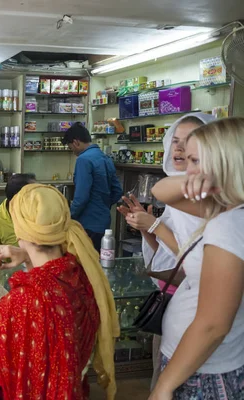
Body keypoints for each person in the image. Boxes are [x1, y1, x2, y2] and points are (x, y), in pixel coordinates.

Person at [0, 184, 119, 399]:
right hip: (70, 380)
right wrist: (26, 255)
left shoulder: (27, 298)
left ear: (20, 229)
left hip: (27, 388)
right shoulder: (81, 272)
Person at [149, 117, 244, 400]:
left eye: (194, 160)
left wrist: (165, 385)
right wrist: (211, 182)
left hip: (203, 370)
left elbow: (213, 324)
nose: (187, 170)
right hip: (202, 363)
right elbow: (160, 190)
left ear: (222, 161)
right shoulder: (226, 208)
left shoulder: (228, 225)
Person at [117, 113, 213, 389]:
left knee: (171, 382)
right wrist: (145, 227)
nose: (181, 149)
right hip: (171, 300)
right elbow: (167, 254)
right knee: (161, 370)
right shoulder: (178, 193)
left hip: (194, 311)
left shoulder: (205, 197)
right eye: (176, 141)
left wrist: (156, 225)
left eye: (191, 142)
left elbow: (194, 261)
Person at [62, 122, 123, 251]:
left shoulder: (83, 160)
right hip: (104, 222)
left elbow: (81, 197)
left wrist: (69, 217)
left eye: (71, 147)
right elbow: (117, 191)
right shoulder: (105, 157)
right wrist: (102, 205)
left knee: (86, 264)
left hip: (87, 223)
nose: (72, 151)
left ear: (76, 142)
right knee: (100, 261)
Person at [0, 173, 35, 257]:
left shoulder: (42, 212)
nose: (38, 199)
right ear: (17, 199)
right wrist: (5, 255)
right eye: (33, 195)